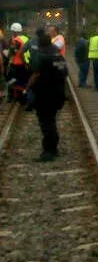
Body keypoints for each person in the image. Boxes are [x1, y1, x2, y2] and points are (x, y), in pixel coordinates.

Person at [26, 29, 67, 161]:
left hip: (44, 95)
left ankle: (48, 151)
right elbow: (64, 72)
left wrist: (27, 88)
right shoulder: (58, 55)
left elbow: (36, 73)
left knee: (46, 123)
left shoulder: (41, 56)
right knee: (51, 120)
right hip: (58, 93)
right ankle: (53, 148)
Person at [6, 23, 30, 104]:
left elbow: (11, 53)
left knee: (11, 80)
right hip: (26, 63)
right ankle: (23, 96)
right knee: (24, 80)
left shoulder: (16, 40)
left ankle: (11, 96)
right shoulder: (26, 38)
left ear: (14, 31)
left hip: (17, 64)